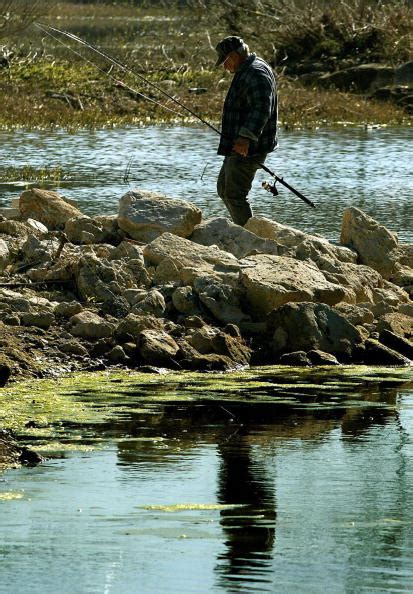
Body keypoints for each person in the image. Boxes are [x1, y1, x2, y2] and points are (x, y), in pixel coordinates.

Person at [215, 36, 278, 226]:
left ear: (234, 55)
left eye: (225, 61)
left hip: (250, 147)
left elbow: (261, 109)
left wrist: (245, 138)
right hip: (239, 145)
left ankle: (249, 236)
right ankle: (244, 231)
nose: (225, 67)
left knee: (234, 194)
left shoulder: (256, 72)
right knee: (224, 188)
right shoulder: (246, 70)